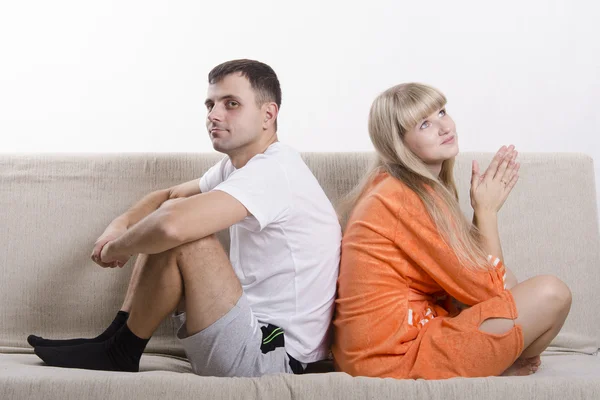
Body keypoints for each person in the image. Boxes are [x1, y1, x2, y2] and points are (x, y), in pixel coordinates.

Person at [29, 59, 342, 377]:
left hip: (275, 358)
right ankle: (116, 337)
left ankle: (121, 350)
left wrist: (116, 248)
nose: (213, 115)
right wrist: (120, 224)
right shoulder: (236, 167)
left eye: (231, 104)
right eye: (210, 104)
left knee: (186, 235)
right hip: (247, 331)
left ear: (268, 115)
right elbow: (169, 198)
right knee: (172, 219)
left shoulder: (275, 171)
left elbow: (171, 225)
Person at [332, 83, 572, 379]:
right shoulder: (401, 197)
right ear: (399, 144)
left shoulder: (403, 187)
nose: (444, 126)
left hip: (390, 347)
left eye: (442, 111)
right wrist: (486, 210)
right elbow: (491, 293)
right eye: (425, 124)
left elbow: (476, 274)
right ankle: (499, 366)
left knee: (511, 279)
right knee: (553, 293)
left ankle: (499, 364)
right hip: (392, 360)